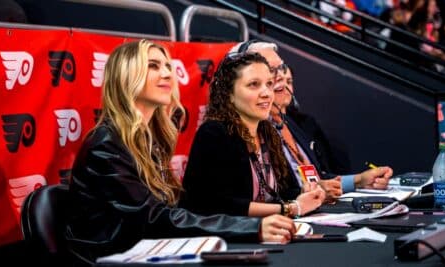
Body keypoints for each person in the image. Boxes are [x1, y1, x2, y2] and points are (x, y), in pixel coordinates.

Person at [65, 39, 296, 264]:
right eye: (153, 66)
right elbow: (154, 218)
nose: (167, 73)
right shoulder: (106, 145)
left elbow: (173, 209)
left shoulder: (149, 138)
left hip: (149, 249)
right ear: (125, 76)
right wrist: (251, 227)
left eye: (167, 65)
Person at [230, 40, 393, 201]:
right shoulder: (242, 132)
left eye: (281, 68)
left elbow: (318, 178)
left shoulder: (291, 124)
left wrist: (359, 181)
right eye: (270, 70)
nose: (280, 76)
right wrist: (303, 195)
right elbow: (259, 197)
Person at [180, 51, 325, 218]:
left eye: (269, 84)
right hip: (225, 239)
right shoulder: (214, 133)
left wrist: (304, 192)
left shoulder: (267, 132)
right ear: (229, 95)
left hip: (266, 232)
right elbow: (216, 205)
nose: (266, 93)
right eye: (254, 84)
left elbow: (277, 193)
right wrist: (290, 208)